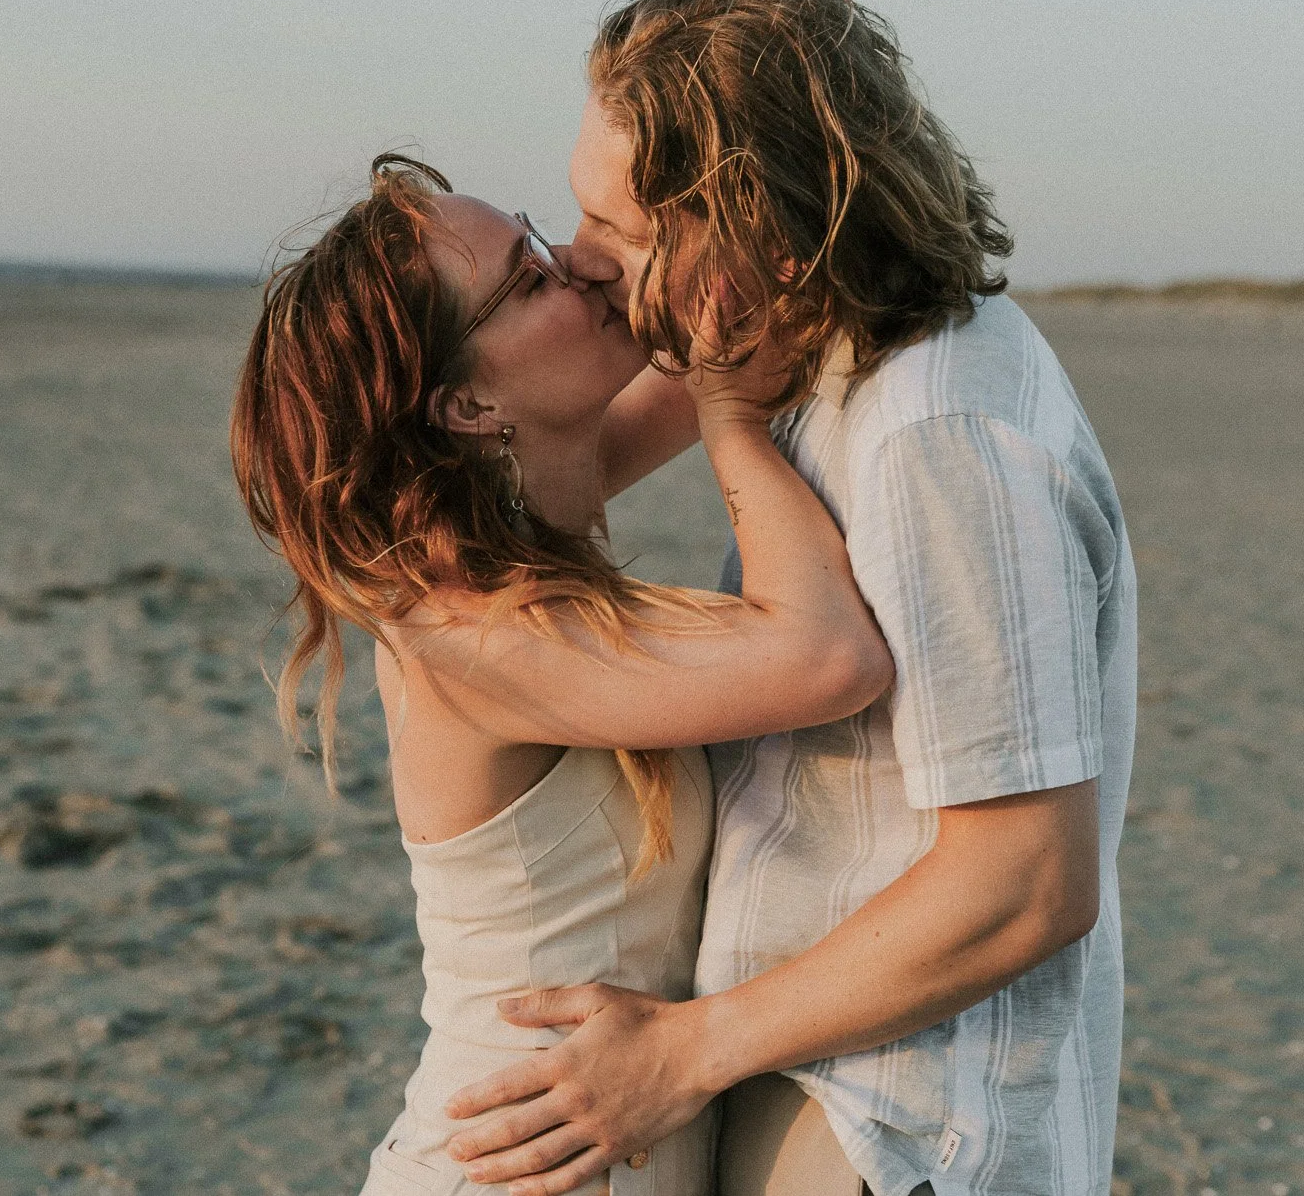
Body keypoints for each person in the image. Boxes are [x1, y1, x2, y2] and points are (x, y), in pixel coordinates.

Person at [444, 0, 1138, 1196]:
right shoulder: (807, 344)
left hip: (900, 1128)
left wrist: (678, 1054)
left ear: (763, 222)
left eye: (627, 233)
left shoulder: (937, 435)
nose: (584, 259)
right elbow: (572, 459)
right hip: (826, 1081)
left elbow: (1026, 881)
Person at [229, 154, 896, 1196]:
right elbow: (830, 657)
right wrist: (731, 420)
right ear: (465, 403)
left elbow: (741, 325)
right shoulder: (475, 634)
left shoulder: (519, 535)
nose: (581, 269)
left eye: (543, 238)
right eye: (528, 280)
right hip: (513, 1168)